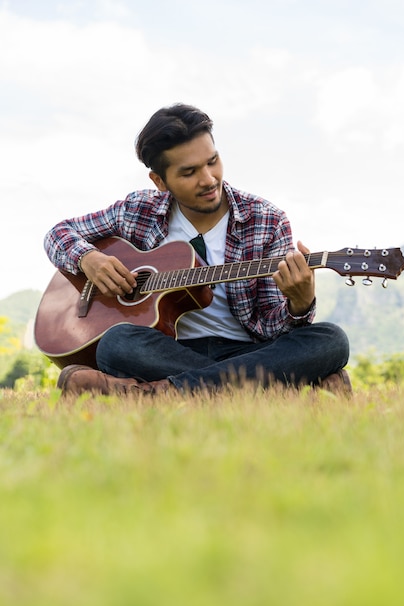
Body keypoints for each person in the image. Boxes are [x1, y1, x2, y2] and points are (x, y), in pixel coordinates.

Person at [44, 103, 351, 397]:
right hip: (165, 349)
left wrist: (299, 304)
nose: (208, 180)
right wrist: (88, 258)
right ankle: (276, 390)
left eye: (212, 161)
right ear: (159, 181)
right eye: (189, 172)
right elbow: (59, 234)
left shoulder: (266, 219)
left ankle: (159, 392)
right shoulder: (138, 209)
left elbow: (274, 330)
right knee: (117, 343)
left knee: (330, 341)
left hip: (245, 350)